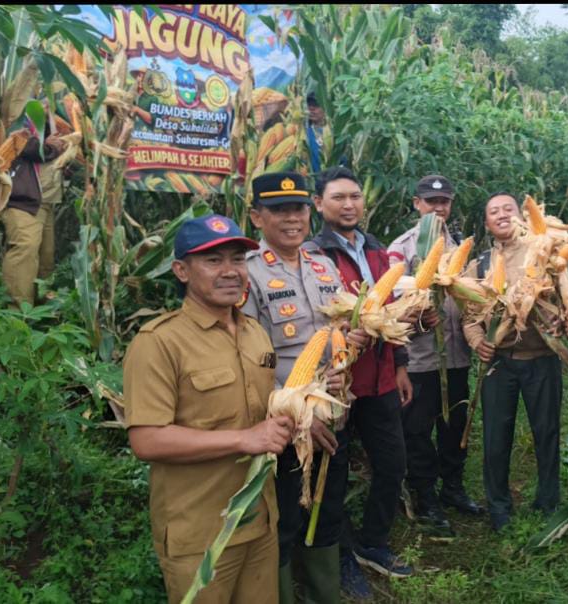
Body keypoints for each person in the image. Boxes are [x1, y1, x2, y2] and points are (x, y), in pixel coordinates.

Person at [122, 214, 290, 602]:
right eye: (213, 261)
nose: (230, 271)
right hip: (200, 531)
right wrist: (244, 439)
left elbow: (262, 412)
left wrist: (300, 413)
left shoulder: (255, 333)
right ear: (181, 270)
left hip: (261, 522)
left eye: (237, 259)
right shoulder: (159, 343)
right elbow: (147, 440)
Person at [243, 171, 367, 603]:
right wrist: (299, 414)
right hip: (287, 422)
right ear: (257, 217)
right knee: (285, 519)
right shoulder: (249, 274)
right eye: (279, 210)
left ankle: (323, 594)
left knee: (327, 508)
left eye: (297, 208)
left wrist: (349, 346)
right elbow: (252, 358)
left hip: (334, 409)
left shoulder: (323, 265)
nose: (292, 218)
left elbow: (337, 332)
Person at [306, 166, 414, 592]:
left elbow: (392, 314)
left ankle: (373, 542)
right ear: (319, 204)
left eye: (354, 196)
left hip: (381, 380)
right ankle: (340, 554)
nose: (349, 204)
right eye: (338, 198)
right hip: (337, 383)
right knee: (331, 475)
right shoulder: (313, 255)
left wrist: (401, 364)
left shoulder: (378, 250)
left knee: (392, 465)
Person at [388, 175, 484, 537]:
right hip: (421, 358)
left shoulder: (458, 245)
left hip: (457, 355)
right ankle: (425, 494)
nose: (438, 208)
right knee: (418, 429)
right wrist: (419, 312)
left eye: (444, 201)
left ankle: (453, 487)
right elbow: (391, 302)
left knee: (453, 426)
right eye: (430, 202)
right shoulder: (402, 248)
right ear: (417, 205)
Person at [463, 192, 563, 532]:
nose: (502, 215)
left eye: (508, 208)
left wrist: (559, 320)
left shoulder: (543, 250)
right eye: (494, 212)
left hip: (542, 359)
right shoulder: (479, 264)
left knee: (547, 432)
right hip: (499, 362)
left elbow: (563, 300)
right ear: (487, 222)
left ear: (520, 214)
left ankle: (548, 501)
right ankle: (499, 506)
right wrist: (479, 343)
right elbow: (469, 316)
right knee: (495, 436)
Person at [1, 111, 66, 305]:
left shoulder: (57, 117)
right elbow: (22, 144)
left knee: (46, 258)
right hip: (23, 200)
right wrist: (52, 147)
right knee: (25, 250)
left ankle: (41, 311)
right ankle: (17, 315)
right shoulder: (19, 111)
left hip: (47, 201)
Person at [305, 93, 326, 175]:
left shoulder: (334, 133)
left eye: (316, 105)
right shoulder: (304, 132)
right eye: (309, 105)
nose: (311, 108)